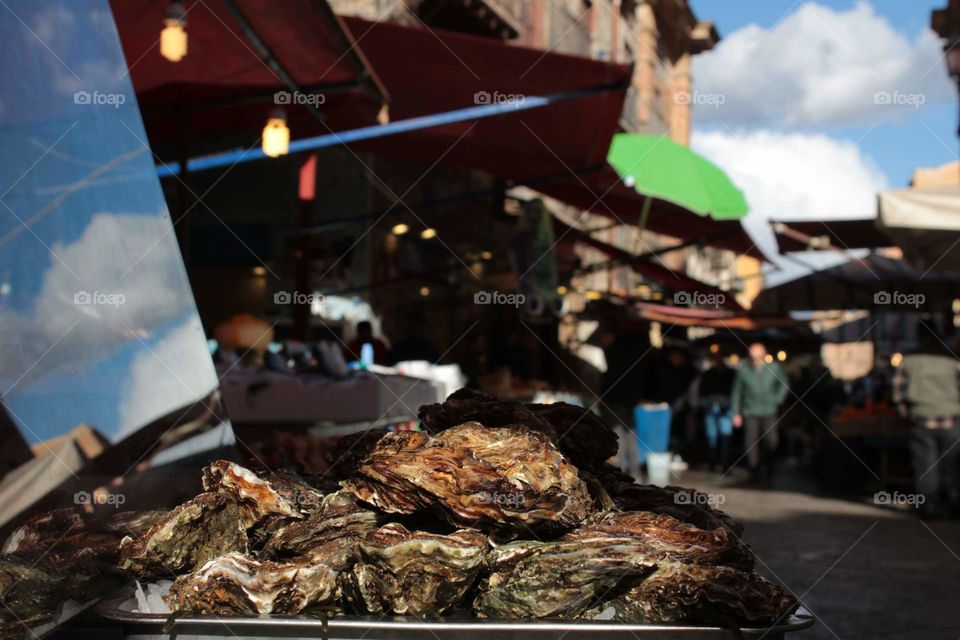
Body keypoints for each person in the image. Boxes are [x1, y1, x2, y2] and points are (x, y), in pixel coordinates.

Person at [893, 322, 960, 518]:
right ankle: (953, 504)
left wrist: (905, 412)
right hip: (951, 418)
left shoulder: (909, 359)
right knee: (953, 464)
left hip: (921, 418)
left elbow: (898, 393)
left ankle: (928, 506)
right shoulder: (951, 357)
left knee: (925, 465)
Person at [731, 342, 789, 481]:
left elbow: (784, 384)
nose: (755, 355)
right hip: (751, 410)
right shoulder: (744, 370)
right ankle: (754, 468)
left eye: (758, 351)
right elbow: (737, 392)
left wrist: (778, 399)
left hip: (769, 410)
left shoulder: (774, 368)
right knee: (751, 442)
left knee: (772, 440)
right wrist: (736, 413)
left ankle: (769, 466)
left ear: (764, 353)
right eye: (753, 351)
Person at [691, 356, 736, 472]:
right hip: (711, 408)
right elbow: (701, 392)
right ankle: (713, 463)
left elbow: (734, 392)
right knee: (712, 437)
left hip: (725, 409)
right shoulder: (708, 374)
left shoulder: (730, 374)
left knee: (725, 436)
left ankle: (724, 464)